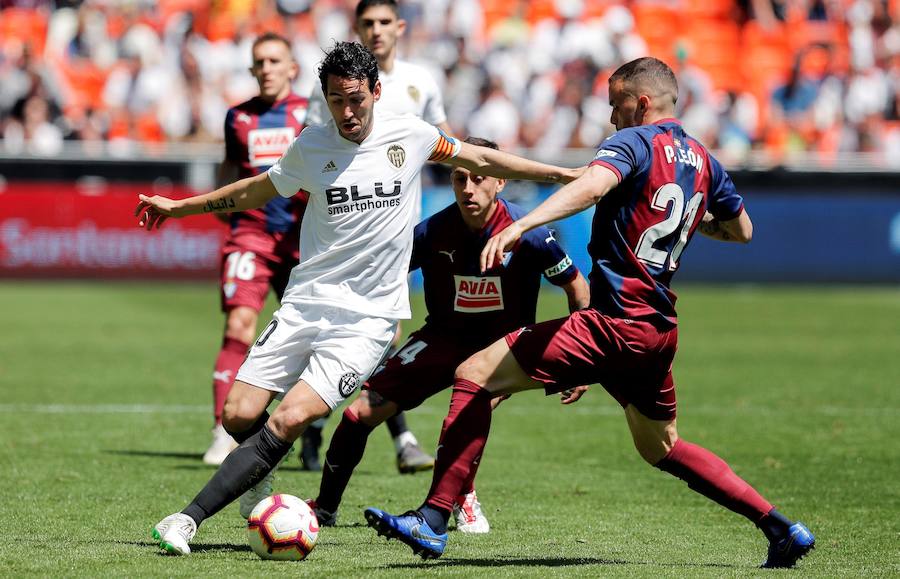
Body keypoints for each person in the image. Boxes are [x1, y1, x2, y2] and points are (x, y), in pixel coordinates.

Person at [364, 57, 816, 569]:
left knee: (474, 373)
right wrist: (692, 217)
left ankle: (434, 518)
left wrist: (520, 224)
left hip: (613, 322)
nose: (610, 117)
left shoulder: (634, 143)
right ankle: (781, 528)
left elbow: (593, 185)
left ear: (641, 102)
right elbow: (742, 231)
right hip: (657, 331)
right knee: (661, 446)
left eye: (615, 104)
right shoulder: (703, 159)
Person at [137, 41, 581, 556]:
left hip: (367, 320)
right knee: (238, 415)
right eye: (334, 101)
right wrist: (181, 207)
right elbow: (257, 189)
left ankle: (185, 520)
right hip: (306, 301)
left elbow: (481, 155)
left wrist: (564, 177)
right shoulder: (312, 145)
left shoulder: (412, 135)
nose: (346, 113)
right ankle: (256, 476)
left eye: (355, 99)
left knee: (289, 418)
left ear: (376, 91)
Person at [306, 136, 590, 533]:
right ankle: (324, 509)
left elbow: (577, 287)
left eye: (479, 178)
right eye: (459, 179)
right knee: (358, 414)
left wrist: (579, 360)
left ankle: (461, 496)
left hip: (501, 351)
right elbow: (386, 276)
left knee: (464, 414)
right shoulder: (433, 232)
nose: (468, 188)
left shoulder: (529, 234)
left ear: (501, 181)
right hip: (441, 338)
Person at [301, 0, 452, 473]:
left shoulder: (421, 81)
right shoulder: (332, 88)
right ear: (357, 28)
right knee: (367, 332)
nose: (376, 30)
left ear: (399, 27)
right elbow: (313, 149)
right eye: (367, 23)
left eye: (384, 22)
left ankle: (326, 426)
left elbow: (446, 142)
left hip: (401, 229)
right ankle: (390, 434)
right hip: (347, 231)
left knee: (386, 333)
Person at [202, 32, 309, 467]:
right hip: (251, 233)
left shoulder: (311, 114)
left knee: (306, 336)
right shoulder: (237, 118)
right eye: (259, 62)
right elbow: (230, 169)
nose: (266, 68)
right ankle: (221, 432)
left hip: (302, 239)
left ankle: (303, 426)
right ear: (251, 69)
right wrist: (222, 203)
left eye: (273, 60)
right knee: (240, 324)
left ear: (291, 68)